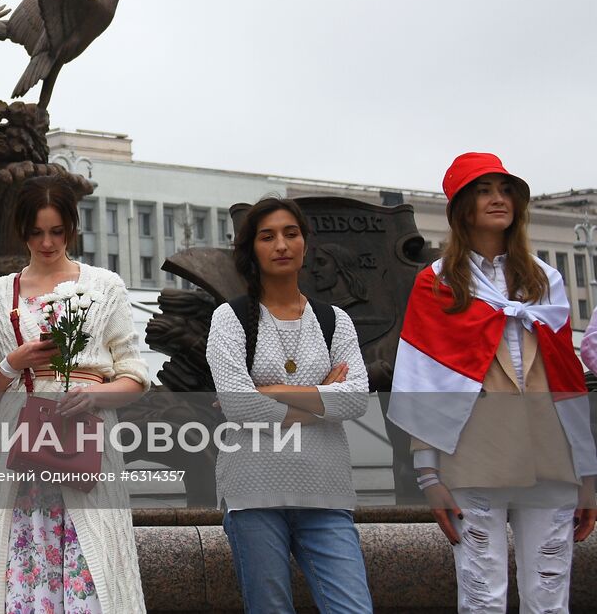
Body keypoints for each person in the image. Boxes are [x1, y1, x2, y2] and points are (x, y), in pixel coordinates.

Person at [388, 153, 597, 613]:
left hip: (551, 451)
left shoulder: (548, 280)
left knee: (550, 597)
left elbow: (566, 378)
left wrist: (587, 472)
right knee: (482, 595)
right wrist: (428, 474)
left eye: (505, 190)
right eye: (484, 190)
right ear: (462, 206)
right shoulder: (437, 283)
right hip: (472, 453)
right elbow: (422, 379)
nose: (498, 199)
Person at [0, 175, 151, 614]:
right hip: (21, 442)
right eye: (36, 232)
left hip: (87, 435)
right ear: (22, 231)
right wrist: (16, 362)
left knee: (95, 561)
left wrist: (96, 397)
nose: (47, 242)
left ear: (71, 228)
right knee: (21, 557)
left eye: (56, 231)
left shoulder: (105, 286)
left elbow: (134, 374)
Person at [205, 196, 373, 614]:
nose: (281, 244)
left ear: (305, 244)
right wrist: (318, 399)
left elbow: (354, 399)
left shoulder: (334, 320)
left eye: (290, 233)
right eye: (268, 236)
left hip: (326, 491)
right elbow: (238, 406)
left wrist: (272, 391)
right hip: (253, 491)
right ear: (252, 249)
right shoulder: (231, 318)